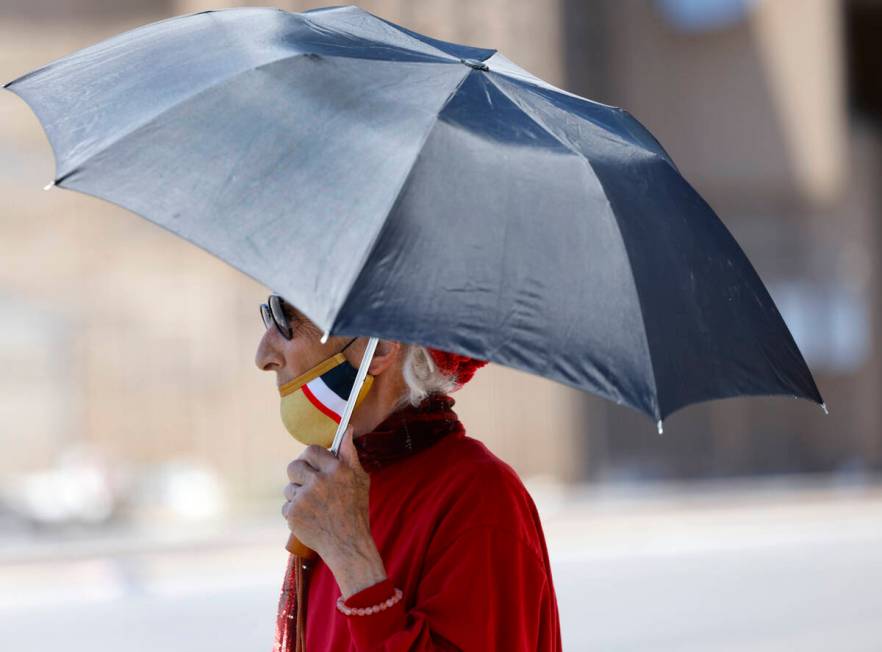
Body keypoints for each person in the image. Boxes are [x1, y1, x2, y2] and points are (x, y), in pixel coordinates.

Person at [255, 294, 562, 652]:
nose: (263, 356)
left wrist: (352, 556)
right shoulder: (338, 488)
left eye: (287, 317)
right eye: (267, 316)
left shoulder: (480, 496)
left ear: (381, 345)